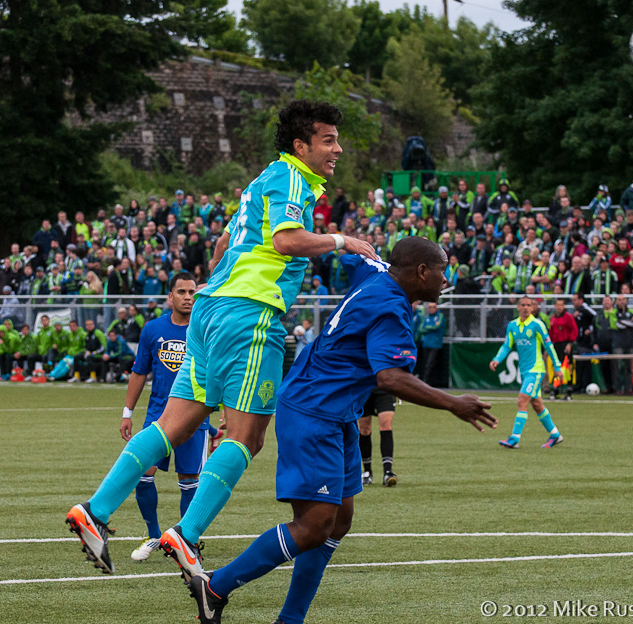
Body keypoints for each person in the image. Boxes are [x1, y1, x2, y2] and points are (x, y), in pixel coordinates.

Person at [66, 100, 377, 577]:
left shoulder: (263, 181)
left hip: (210, 310)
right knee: (246, 436)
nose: (338, 149)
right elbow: (286, 241)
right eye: (328, 140)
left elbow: (220, 247)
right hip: (249, 314)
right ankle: (186, 535)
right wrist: (343, 241)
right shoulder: (292, 179)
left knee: (172, 426)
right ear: (301, 146)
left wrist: (223, 287)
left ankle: (96, 509)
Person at [186, 237, 495, 624]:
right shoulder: (391, 309)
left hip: (336, 411)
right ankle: (215, 586)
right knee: (313, 526)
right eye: (442, 270)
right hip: (314, 410)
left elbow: (357, 260)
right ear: (421, 272)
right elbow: (390, 377)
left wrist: (351, 244)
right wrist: (453, 403)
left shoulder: (378, 272)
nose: (446, 279)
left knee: (340, 520)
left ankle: (290, 619)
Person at [116, 273, 218, 561]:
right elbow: (139, 371)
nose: (188, 297)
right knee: (142, 474)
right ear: (170, 296)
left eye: (192, 292)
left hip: (194, 416)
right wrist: (127, 412)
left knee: (189, 481)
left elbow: (218, 372)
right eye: (182, 292)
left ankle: (187, 541)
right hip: (158, 415)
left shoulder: (206, 328)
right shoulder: (153, 329)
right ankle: (153, 535)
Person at [489, 296, 563, 449]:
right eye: (522, 305)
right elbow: (507, 345)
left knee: (522, 400)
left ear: (532, 308)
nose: (525, 308)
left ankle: (515, 438)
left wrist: (557, 367)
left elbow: (549, 346)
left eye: (528, 305)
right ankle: (555, 435)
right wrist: (497, 359)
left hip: (535, 370)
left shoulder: (537, 325)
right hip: (524, 371)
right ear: (518, 307)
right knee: (537, 404)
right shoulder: (512, 326)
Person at [358, 388, 398, 487]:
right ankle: (367, 471)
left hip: (384, 388)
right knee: (364, 430)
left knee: (386, 426)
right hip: (363, 389)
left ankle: (388, 472)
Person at [611, 294, 633, 395]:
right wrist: (629, 322)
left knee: (629, 368)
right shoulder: (613, 312)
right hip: (618, 343)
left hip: (630, 342)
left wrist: (624, 322)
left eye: (623, 299)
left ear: (626, 301)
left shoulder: (632, 311)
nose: (621, 301)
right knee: (617, 367)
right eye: (619, 300)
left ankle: (629, 389)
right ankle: (618, 388)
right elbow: (617, 325)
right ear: (616, 302)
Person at [416, 301, 445, 383]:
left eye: (433, 307)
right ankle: (425, 381)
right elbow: (421, 329)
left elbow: (437, 326)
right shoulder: (426, 318)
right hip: (426, 344)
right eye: (430, 307)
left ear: (436, 308)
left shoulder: (440, 316)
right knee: (425, 363)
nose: (431, 309)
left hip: (435, 344)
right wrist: (430, 328)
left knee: (430, 363)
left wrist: (427, 327)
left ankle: (426, 381)